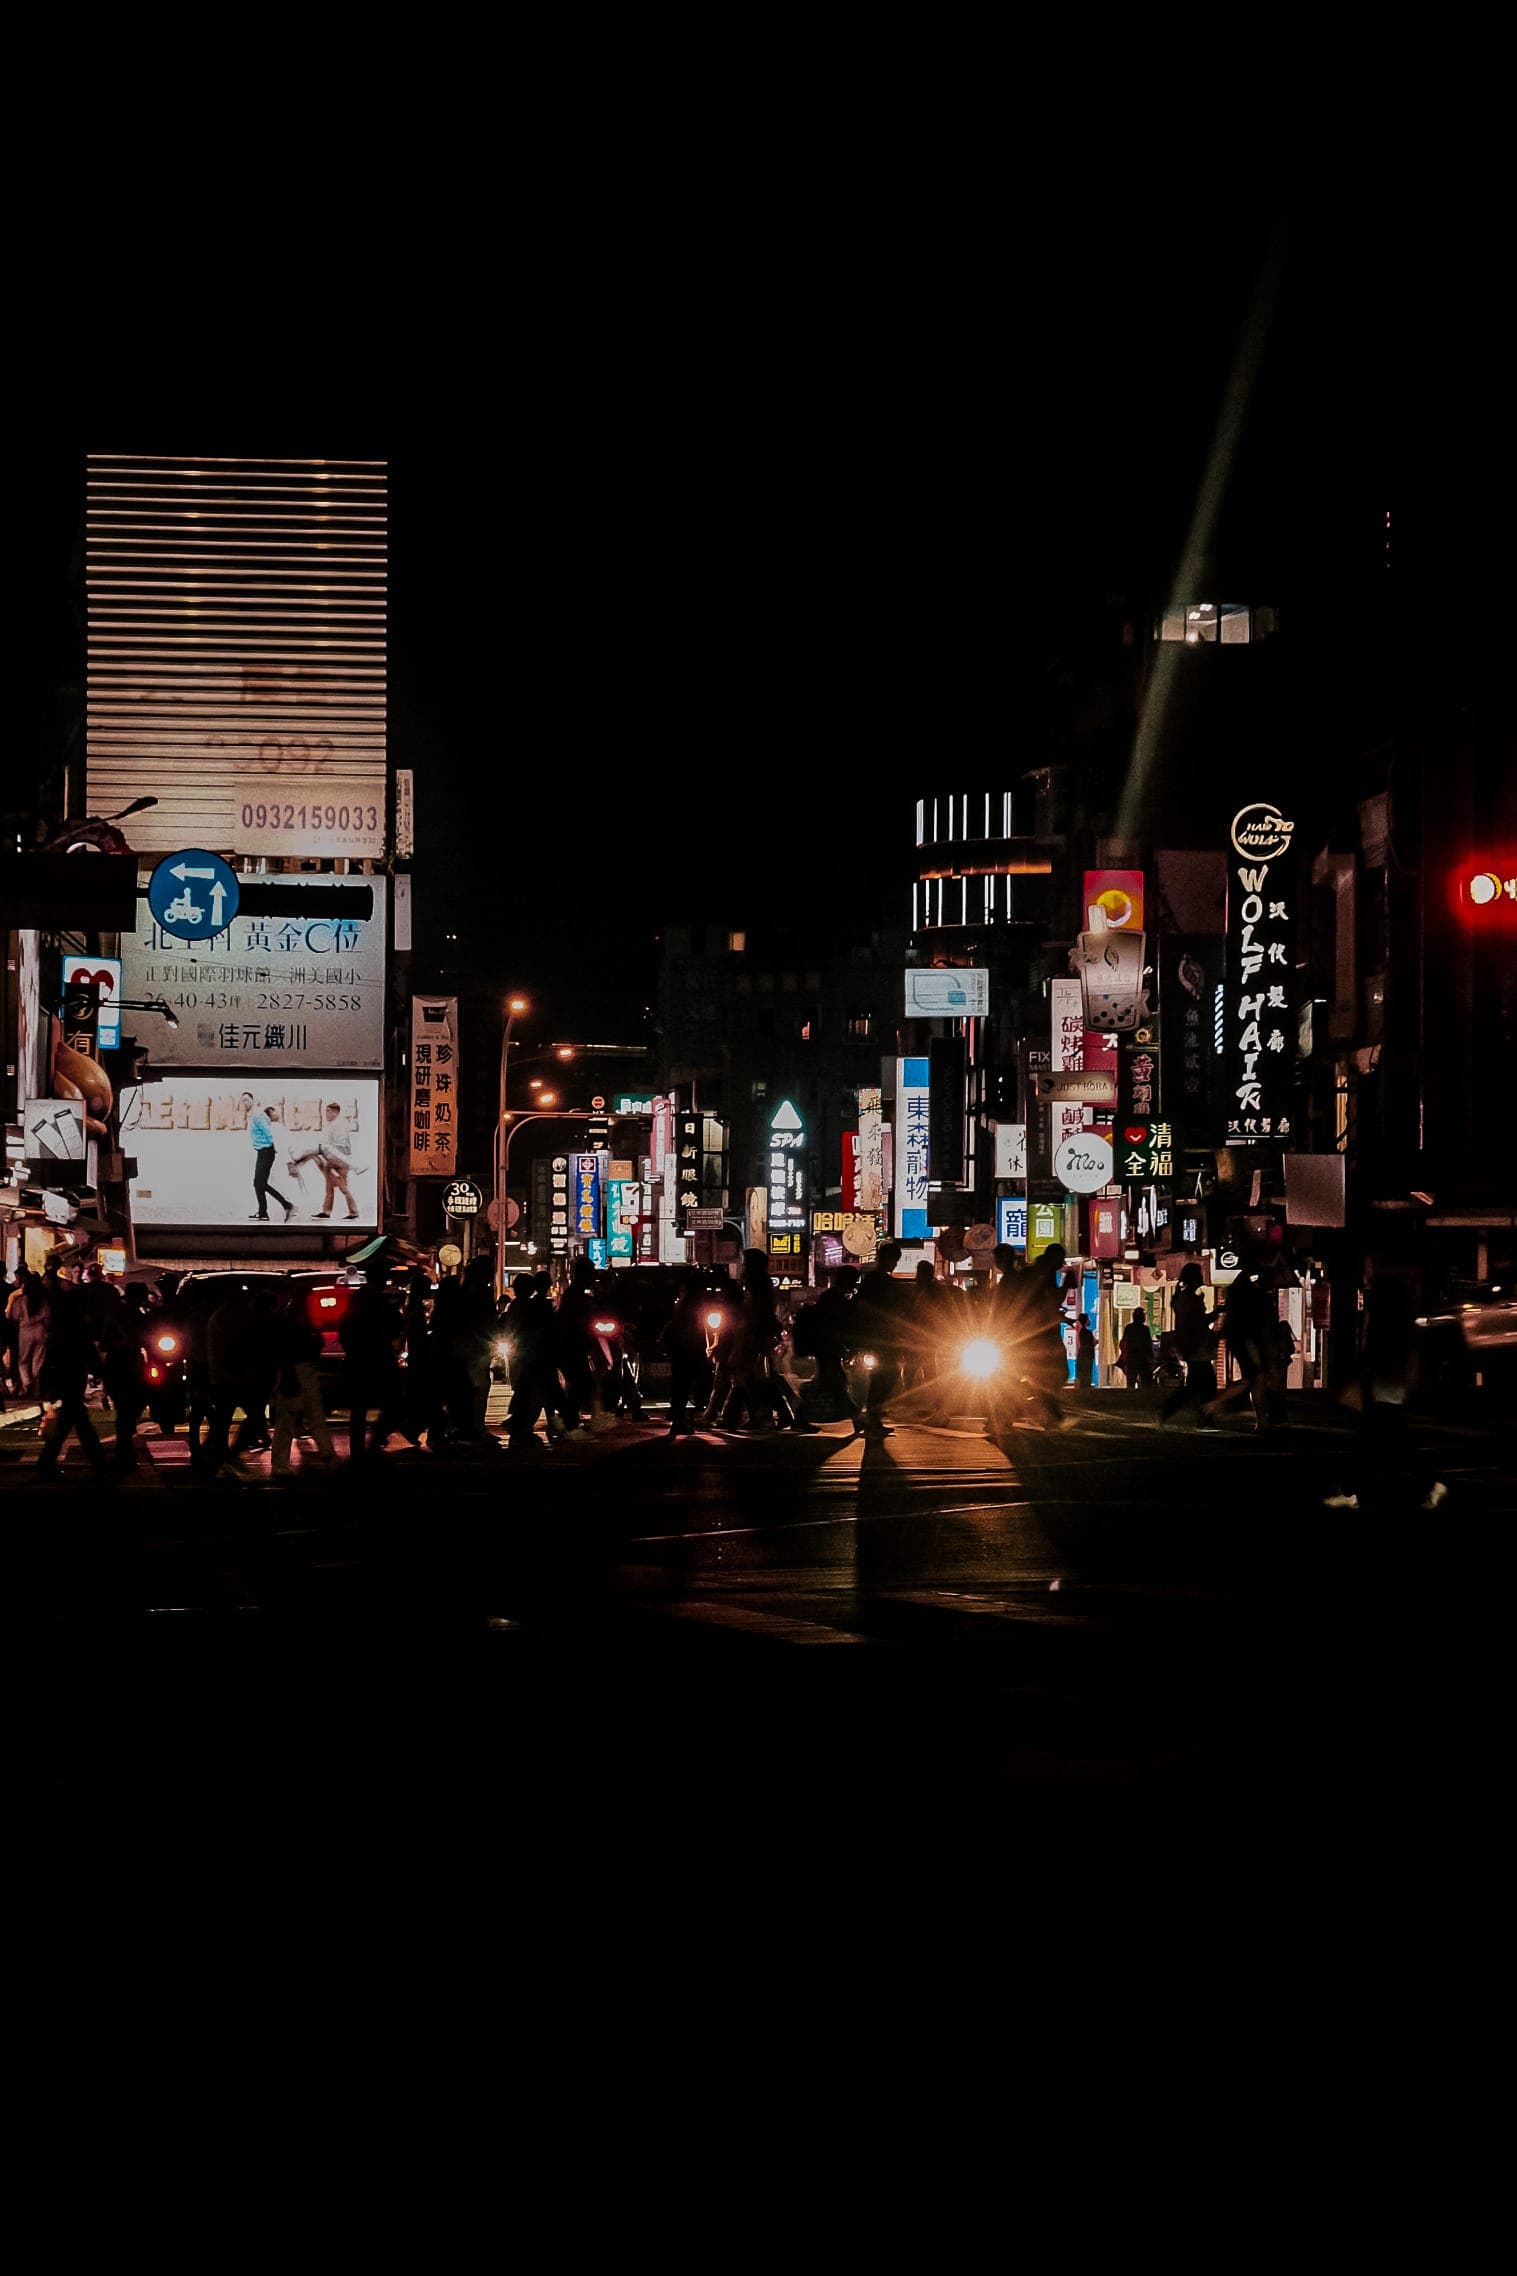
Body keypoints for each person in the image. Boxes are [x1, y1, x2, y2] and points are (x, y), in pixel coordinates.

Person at [35, 1270, 111, 1479]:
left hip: (61, 1379)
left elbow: (50, 1359)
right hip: (71, 1379)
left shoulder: (59, 1329)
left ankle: (49, 1463)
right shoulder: (77, 1329)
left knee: (73, 1422)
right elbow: (88, 1352)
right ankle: (96, 1462)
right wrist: (98, 1371)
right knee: (78, 1422)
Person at [339, 1257, 408, 1464]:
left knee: (360, 1409)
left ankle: (360, 1449)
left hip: (360, 1359)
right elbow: (395, 1325)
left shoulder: (359, 1299)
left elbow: (346, 1329)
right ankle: (374, 1440)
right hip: (377, 1358)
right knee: (394, 1402)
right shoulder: (376, 1301)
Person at [269, 1279, 337, 1476]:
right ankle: (325, 1455)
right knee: (299, 1417)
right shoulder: (297, 1320)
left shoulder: (291, 1318)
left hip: (294, 1369)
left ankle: (283, 1462)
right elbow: (295, 1348)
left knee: (291, 1418)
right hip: (297, 1369)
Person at [854, 1240, 909, 1438]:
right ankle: (871, 1416)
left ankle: (872, 1416)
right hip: (880, 1336)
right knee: (886, 1374)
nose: (895, 1264)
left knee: (883, 1375)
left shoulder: (878, 1280)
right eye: (894, 1260)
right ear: (886, 1258)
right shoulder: (878, 1281)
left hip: (881, 1335)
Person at [502, 1271, 560, 1448]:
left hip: (522, 1355)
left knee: (528, 1392)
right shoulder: (528, 1306)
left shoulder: (516, 1306)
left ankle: (521, 1426)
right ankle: (521, 1427)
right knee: (532, 1393)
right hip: (530, 1356)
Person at [803, 1267, 864, 1431]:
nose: (854, 1285)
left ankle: (857, 1419)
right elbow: (841, 1325)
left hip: (827, 1349)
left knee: (831, 1383)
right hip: (828, 1349)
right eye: (853, 1281)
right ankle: (858, 1418)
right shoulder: (836, 1299)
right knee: (834, 1383)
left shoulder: (831, 1297)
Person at [660, 1272, 720, 1436]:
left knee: (681, 1384)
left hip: (681, 1348)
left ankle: (678, 1418)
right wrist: (703, 1351)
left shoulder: (686, 1302)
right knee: (685, 1384)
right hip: (687, 1349)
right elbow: (696, 1330)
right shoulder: (694, 1303)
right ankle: (679, 1420)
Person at [1159, 1263, 1218, 1426]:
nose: (1201, 1278)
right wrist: (1215, 1313)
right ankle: (1173, 1410)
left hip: (1193, 1347)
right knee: (1203, 1385)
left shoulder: (1184, 1298)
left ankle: (1202, 1416)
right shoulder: (1189, 1300)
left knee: (1199, 1385)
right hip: (1196, 1347)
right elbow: (1197, 1323)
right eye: (1199, 1275)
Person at [289, 1101, 362, 1222]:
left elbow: (342, 1146)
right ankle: (327, 1212)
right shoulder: (331, 1125)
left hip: (338, 1161)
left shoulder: (340, 1125)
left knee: (342, 1186)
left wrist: (330, 1156)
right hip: (331, 1160)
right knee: (329, 1188)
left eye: (328, 1111)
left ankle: (353, 1212)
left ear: (335, 1112)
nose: (326, 1114)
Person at [241, 1093, 295, 1222]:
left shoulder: (257, 1115)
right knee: (259, 1183)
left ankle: (286, 1205)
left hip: (266, 1151)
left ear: (253, 1100)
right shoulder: (255, 1114)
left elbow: (269, 1132)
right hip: (263, 1151)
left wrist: (274, 1147)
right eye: (243, 1101)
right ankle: (263, 1213)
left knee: (259, 1183)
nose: (245, 1103)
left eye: (247, 1100)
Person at [7, 1268, 50, 1396]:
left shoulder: (21, 1300)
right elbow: (48, 1315)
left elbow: (14, 1317)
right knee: (38, 1360)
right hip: (40, 1331)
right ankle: (36, 1388)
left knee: (23, 1360)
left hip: (25, 1332)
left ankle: (27, 1383)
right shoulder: (43, 1300)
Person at [1116, 1312, 1155, 1392]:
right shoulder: (1145, 1329)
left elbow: (1123, 1342)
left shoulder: (1129, 1328)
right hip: (1142, 1358)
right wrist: (1151, 1357)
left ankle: (1130, 1396)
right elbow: (1148, 1345)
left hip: (1132, 1358)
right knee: (1145, 1381)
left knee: (1131, 1381)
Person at [1074, 1312, 1096, 1389]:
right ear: (1086, 1321)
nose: (1089, 1321)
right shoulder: (1087, 1332)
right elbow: (1091, 1343)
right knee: (1087, 1375)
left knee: (1082, 1375)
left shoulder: (1082, 1331)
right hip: (1087, 1356)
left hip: (1082, 1355)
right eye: (1088, 1319)